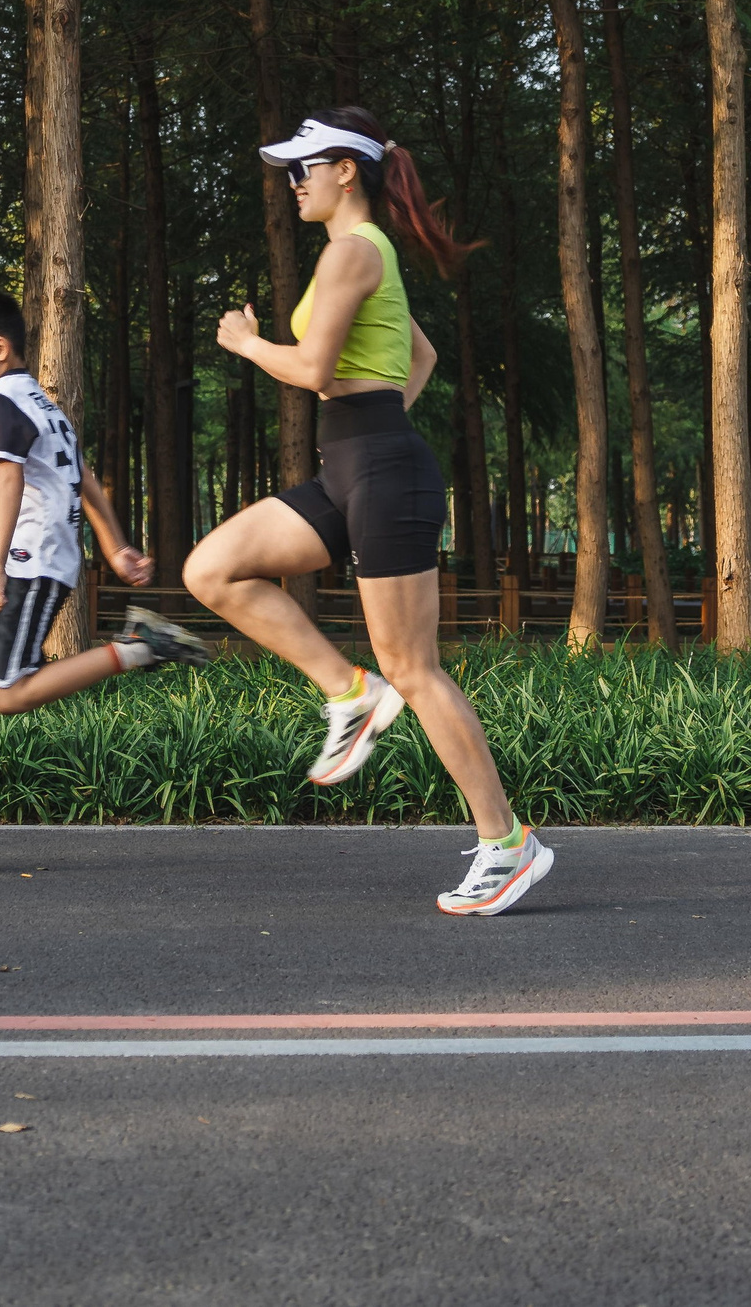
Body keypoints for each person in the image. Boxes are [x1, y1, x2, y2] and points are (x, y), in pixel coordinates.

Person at [184, 110, 552, 915]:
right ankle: (348, 691)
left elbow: (314, 370)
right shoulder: (349, 257)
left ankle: (508, 844)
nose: (294, 182)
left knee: (415, 669)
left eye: (305, 168)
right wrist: (381, 423)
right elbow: (415, 353)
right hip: (353, 467)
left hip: (380, 470)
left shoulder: (355, 251)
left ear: (346, 170)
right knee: (211, 568)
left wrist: (245, 343)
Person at [0, 283, 210, 860]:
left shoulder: (1, 398)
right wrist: (115, 545)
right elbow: (81, 472)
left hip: (26, 564)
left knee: (7, 696)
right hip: (28, 560)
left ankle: (137, 647)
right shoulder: (42, 402)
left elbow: (10, 482)